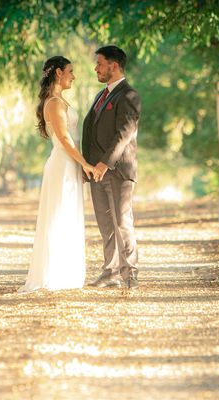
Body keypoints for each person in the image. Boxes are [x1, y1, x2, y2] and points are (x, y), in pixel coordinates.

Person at [19, 56, 94, 292]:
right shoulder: (53, 103)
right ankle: (54, 273)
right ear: (59, 72)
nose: (74, 76)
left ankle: (65, 271)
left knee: (68, 213)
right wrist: (86, 164)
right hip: (62, 164)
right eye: (71, 71)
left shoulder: (59, 101)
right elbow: (64, 139)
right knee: (59, 214)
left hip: (68, 163)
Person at [82, 45, 141, 289]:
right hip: (96, 173)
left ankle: (130, 275)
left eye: (99, 63)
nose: (96, 68)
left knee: (122, 223)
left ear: (113, 66)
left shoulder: (129, 95)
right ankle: (110, 273)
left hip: (118, 171)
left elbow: (124, 133)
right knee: (106, 226)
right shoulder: (101, 95)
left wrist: (105, 163)